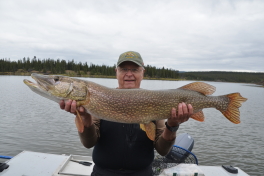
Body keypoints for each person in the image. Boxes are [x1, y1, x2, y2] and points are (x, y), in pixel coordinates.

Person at [59, 51, 193, 176]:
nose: (129, 74)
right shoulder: (100, 98)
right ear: (116, 72)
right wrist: (84, 118)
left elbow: (163, 150)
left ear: (142, 73)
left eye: (135, 69)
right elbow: (89, 143)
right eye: (124, 69)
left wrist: (172, 125)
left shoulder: (153, 100)